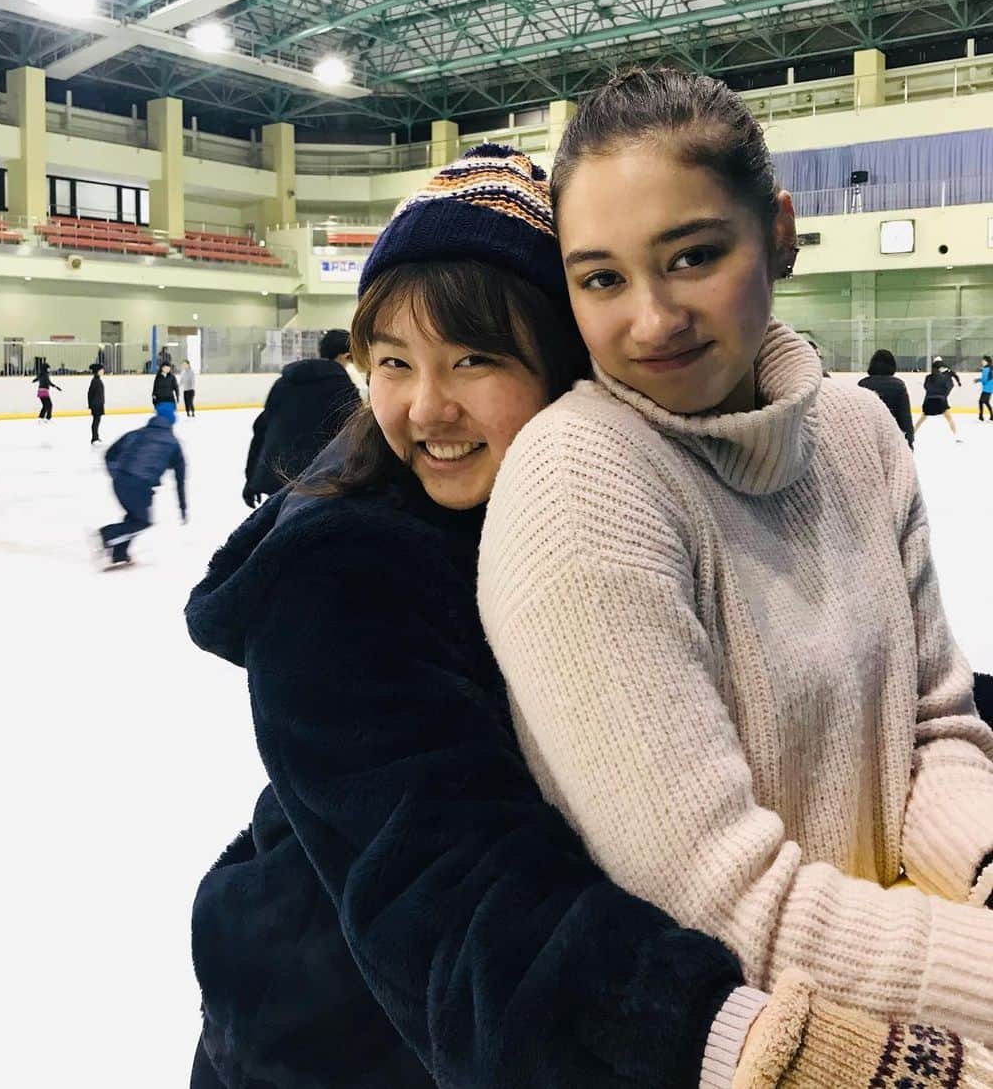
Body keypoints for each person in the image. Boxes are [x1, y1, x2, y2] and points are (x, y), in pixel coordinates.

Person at [185, 145, 993, 1089]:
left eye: (474, 359)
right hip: (333, 1043)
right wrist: (750, 1043)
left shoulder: (622, 495)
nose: (424, 407)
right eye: (393, 362)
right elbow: (464, 905)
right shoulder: (341, 581)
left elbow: (815, 685)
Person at [479, 70, 993, 1049]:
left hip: (915, 995)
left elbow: (936, 726)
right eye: (601, 278)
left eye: (693, 255)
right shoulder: (580, 478)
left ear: (780, 231)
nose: (651, 317)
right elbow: (717, 899)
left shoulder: (857, 433)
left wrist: (982, 865)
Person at [242, 327, 360, 507]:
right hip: (318, 485)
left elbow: (262, 430)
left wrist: (251, 478)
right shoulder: (341, 387)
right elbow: (357, 438)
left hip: (276, 480)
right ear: (345, 356)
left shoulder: (284, 382)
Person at [96, 401, 186, 568]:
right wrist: (183, 508)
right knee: (142, 521)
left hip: (120, 481)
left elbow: (110, 454)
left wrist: (116, 474)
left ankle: (119, 554)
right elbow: (180, 479)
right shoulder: (173, 444)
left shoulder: (136, 434)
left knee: (133, 517)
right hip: (139, 486)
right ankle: (107, 534)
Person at [858, 348, 914, 447]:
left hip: (868, 436)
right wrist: (909, 441)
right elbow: (905, 416)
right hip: (892, 435)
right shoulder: (898, 385)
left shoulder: (863, 384)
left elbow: (858, 415)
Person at [916, 357, 963, 442]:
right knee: (949, 418)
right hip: (941, 400)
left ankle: (912, 433)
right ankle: (957, 436)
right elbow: (948, 386)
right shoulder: (945, 376)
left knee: (922, 418)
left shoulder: (928, 377)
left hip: (929, 400)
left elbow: (926, 387)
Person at [87, 363, 105, 443]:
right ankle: (94, 438)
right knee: (96, 421)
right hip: (96, 404)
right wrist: (91, 404)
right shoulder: (95, 381)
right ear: (98, 371)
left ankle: (96, 437)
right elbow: (90, 393)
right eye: (101, 370)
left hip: (98, 403)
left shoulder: (97, 380)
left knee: (97, 421)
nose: (103, 371)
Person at [976, 355, 993, 423]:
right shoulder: (990, 368)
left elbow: (985, 380)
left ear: (987, 362)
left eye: (983, 361)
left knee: (981, 401)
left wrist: (978, 380)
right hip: (990, 388)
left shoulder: (986, 369)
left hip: (987, 388)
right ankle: (990, 417)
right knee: (985, 402)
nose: (982, 362)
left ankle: (981, 417)